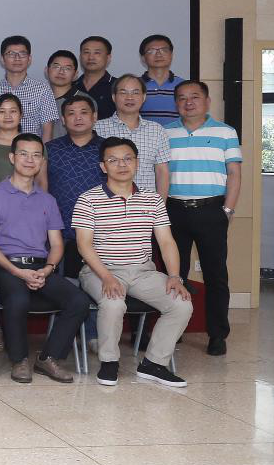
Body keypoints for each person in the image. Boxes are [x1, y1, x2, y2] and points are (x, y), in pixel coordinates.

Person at [74, 137, 192, 387]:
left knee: (181, 304)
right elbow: (84, 245)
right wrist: (107, 277)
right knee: (113, 303)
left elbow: (166, 242)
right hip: (100, 270)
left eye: (128, 159)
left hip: (143, 272)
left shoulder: (153, 199)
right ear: (103, 166)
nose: (122, 164)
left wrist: (174, 276)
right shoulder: (88, 199)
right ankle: (109, 362)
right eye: (113, 160)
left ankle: (153, 364)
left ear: (137, 163)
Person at [0, 134, 90, 383]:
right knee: (17, 298)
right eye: (23, 154)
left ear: (41, 161)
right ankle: (19, 360)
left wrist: (48, 269)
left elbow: (56, 244)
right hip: (4, 266)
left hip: (40, 267)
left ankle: (48, 358)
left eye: (36, 155)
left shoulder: (47, 200)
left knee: (78, 301)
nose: (29, 160)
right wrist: (18, 272)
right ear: (12, 157)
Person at [165, 80, 241, 356]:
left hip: (212, 210)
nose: (188, 102)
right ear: (176, 103)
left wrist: (228, 210)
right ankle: (174, 331)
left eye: (195, 97)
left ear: (207, 101)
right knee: (175, 274)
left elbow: (234, 174)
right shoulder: (165, 132)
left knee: (215, 275)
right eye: (182, 98)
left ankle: (217, 334)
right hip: (174, 210)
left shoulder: (225, 132)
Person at [45, 97, 105, 278]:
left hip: (99, 230)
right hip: (58, 229)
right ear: (63, 120)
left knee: (99, 282)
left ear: (94, 117)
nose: (78, 118)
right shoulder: (50, 149)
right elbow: (41, 187)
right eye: (71, 113)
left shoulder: (108, 148)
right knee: (62, 284)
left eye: (84, 112)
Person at [93, 74, 170, 196]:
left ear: (144, 97)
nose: (129, 97)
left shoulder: (157, 130)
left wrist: (161, 204)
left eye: (135, 92)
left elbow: (162, 172)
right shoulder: (97, 128)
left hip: (146, 203)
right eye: (123, 92)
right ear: (114, 97)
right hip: (108, 203)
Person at [0, 35, 58, 139]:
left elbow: (47, 130)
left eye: (22, 54)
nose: (17, 58)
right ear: (2, 59)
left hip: (32, 148)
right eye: (11, 54)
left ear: (29, 59)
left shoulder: (43, 90)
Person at [46, 50, 94, 139]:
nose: (61, 72)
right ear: (46, 70)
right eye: (56, 67)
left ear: (75, 74)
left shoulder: (85, 101)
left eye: (67, 68)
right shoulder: (38, 97)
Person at [138, 34, 183, 123]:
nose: (158, 54)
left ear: (171, 55)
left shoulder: (183, 86)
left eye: (164, 50)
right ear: (143, 58)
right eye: (151, 51)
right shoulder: (134, 86)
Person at [75, 36, 116, 120]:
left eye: (97, 53)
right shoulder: (71, 86)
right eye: (86, 52)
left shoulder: (118, 86)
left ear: (108, 58)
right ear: (80, 57)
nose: (91, 57)